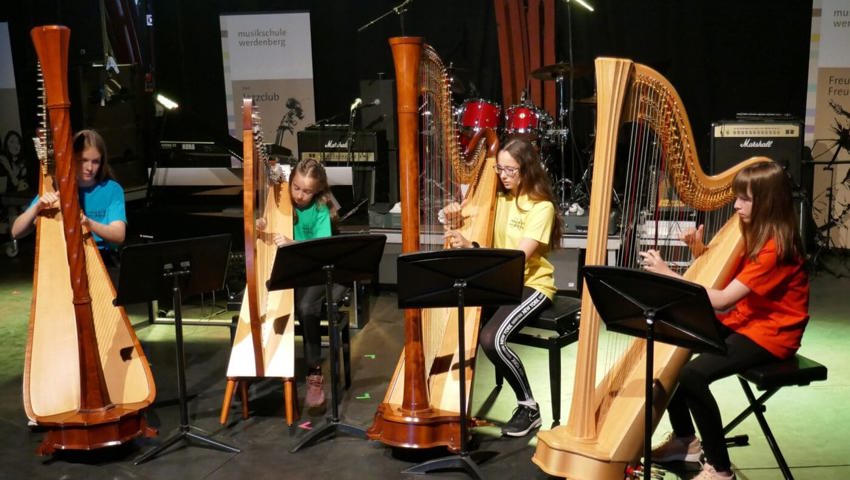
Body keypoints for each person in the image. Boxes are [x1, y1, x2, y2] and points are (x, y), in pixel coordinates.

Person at [639, 160, 809, 480]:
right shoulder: (753, 231)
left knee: (692, 374)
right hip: (746, 321)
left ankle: (719, 468)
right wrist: (700, 250)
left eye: (745, 199)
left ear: (768, 202)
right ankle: (685, 441)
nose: (736, 205)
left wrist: (668, 274)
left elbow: (720, 300)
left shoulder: (775, 247)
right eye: (737, 197)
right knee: (676, 333)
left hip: (773, 335)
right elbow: (724, 280)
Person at [444, 137, 562, 437]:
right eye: (500, 169)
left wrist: (472, 247)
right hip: (495, 281)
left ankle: (529, 407)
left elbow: (518, 259)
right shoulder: (496, 198)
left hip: (530, 285)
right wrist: (454, 214)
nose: (504, 176)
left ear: (527, 170)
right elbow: (463, 218)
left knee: (491, 339)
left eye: (510, 170)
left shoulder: (541, 207)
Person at [259, 157, 347, 413]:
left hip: (319, 270)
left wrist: (291, 243)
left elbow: (321, 251)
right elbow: (266, 225)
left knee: (307, 307)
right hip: (293, 270)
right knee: (264, 290)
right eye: (296, 187)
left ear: (318, 190)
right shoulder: (280, 199)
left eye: (307, 191)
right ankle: (260, 364)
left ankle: (314, 374)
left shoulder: (321, 208)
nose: (299, 195)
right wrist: (261, 224)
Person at [11, 129, 126, 265]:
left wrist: (88, 223)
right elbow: (15, 232)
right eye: (83, 160)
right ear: (70, 159)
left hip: (103, 258)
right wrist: (37, 207)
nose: (89, 167)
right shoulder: (57, 188)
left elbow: (119, 235)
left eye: (95, 161)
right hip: (63, 260)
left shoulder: (111, 189)